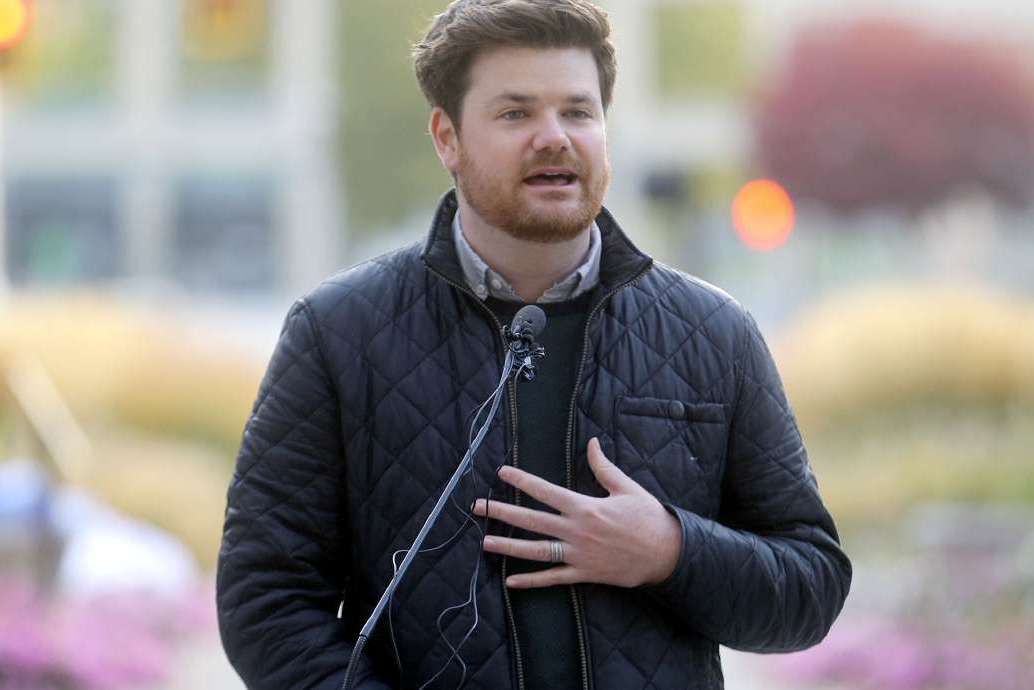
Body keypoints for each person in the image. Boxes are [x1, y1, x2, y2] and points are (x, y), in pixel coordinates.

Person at [217, 1, 852, 688]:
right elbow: (266, 601)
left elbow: (810, 586)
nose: (555, 137)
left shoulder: (715, 333)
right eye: (516, 113)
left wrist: (670, 549)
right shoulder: (337, 332)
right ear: (446, 137)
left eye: (578, 112)